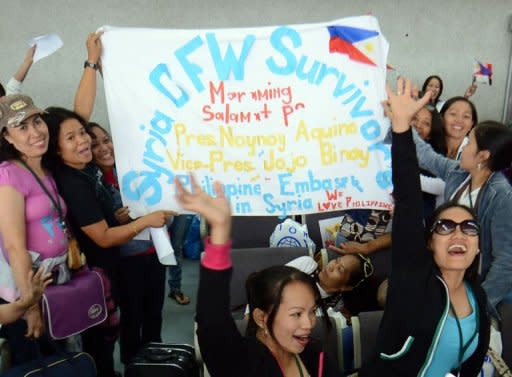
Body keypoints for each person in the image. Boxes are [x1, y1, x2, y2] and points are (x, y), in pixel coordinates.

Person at [362, 79, 490, 376]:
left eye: (469, 228)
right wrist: (402, 128)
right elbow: (407, 198)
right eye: (446, 227)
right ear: (429, 242)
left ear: (479, 245)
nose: (459, 234)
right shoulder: (412, 276)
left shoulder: (477, 297)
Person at [43, 107, 174, 377]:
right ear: (56, 148)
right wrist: (144, 221)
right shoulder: (73, 183)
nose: (84, 141)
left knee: (116, 331)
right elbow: (101, 238)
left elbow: (103, 222)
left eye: (82, 133)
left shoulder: (88, 172)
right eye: (71, 137)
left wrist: (117, 218)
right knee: (101, 341)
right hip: (96, 274)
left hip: (110, 268)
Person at [176, 175, 339, 376]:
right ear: (261, 317)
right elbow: (212, 320)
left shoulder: (316, 356)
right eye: (296, 314)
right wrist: (219, 233)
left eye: (312, 311)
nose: (309, 324)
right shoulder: (240, 364)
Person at [409, 116, 512, 312]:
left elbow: (506, 261)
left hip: (475, 284)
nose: (463, 147)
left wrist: (477, 306)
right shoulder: (459, 173)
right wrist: (402, 123)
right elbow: (426, 156)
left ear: (482, 156)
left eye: (468, 142)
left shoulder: (502, 197)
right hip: (448, 274)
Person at [88, 121, 168, 365]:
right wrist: (115, 219)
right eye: (95, 144)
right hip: (125, 260)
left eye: (106, 140)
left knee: (154, 311)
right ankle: (133, 363)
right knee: (132, 315)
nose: (103, 148)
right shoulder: (95, 182)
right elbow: (99, 231)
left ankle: (156, 362)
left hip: (155, 251)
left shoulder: (133, 169)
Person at [0, 95, 69, 366]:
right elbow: (14, 246)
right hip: (28, 292)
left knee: (58, 362)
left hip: (53, 284)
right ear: (7, 136)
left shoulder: (42, 169)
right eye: (23, 127)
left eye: (37, 121)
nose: (36, 132)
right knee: (36, 367)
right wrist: (30, 306)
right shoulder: (8, 175)